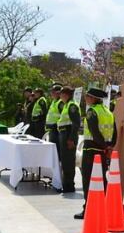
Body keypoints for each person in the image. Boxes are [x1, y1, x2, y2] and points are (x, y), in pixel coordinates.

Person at [74, 88, 115, 219]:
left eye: (88, 96)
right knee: (101, 180)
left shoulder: (92, 112)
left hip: (91, 151)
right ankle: (103, 207)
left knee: (88, 181)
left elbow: (95, 132)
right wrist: (109, 147)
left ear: (93, 98)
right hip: (102, 152)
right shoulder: (108, 112)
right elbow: (114, 132)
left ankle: (88, 209)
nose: (86, 98)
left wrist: (105, 146)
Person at [57, 87, 80, 193]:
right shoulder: (67, 105)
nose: (60, 96)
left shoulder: (72, 106)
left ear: (66, 95)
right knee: (65, 161)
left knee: (68, 162)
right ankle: (66, 184)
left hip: (68, 134)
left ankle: (69, 186)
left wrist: (71, 139)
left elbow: (76, 123)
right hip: (64, 134)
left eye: (61, 94)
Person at [45, 84, 64, 159]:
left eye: (53, 92)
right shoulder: (54, 101)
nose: (51, 94)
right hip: (52, 129)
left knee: (56, 149)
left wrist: (56, 125)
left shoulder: (60, 102)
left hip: (57, 129)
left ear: (58, 93)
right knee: (53, 148)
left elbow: (63, 116)